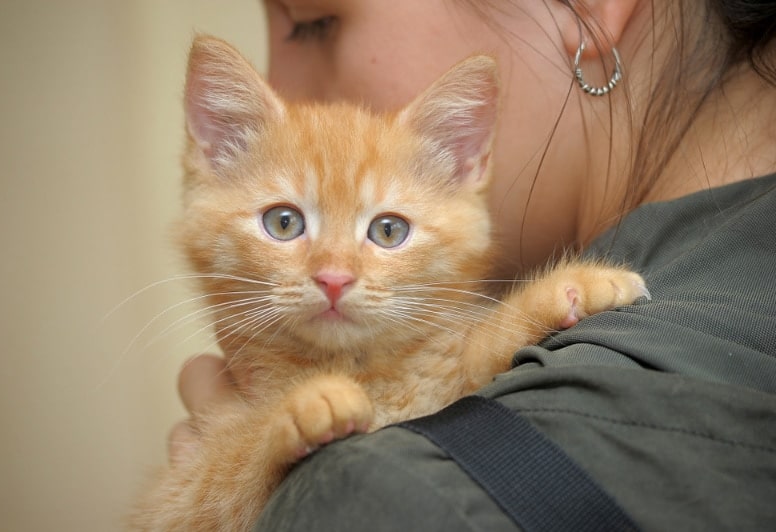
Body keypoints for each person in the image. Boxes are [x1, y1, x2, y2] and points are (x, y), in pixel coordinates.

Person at [171, 1, 776, 529]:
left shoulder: (404, 495)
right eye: (285, 224)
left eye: (315, 22)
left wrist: (302, 498)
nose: (333, 272)